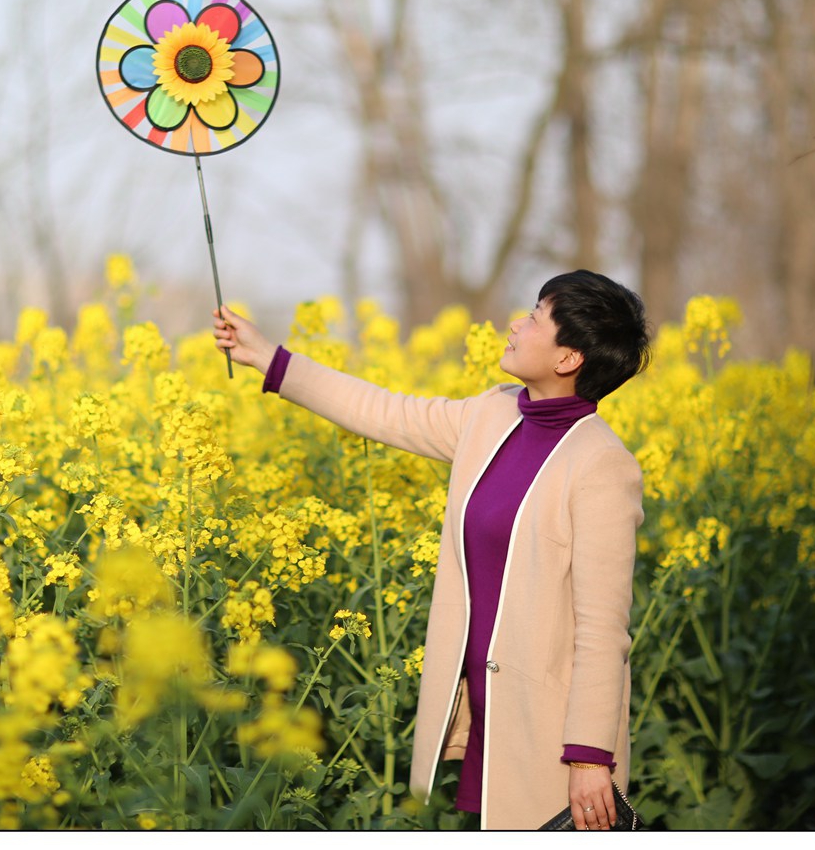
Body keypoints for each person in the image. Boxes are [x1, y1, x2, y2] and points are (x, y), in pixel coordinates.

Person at [213, 270, 650, 831]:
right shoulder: (492, 414)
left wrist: (589, 756)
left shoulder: (601, 465)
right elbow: (384, 411)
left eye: (535, 317)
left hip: (549, 732)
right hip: (484, 711)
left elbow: (602, 629)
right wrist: (267, 358)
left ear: (568, 358)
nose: (516, 325)